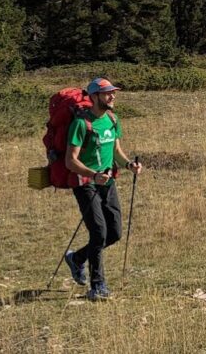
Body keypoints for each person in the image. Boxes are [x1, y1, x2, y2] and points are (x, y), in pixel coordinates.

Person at [63, 77, 142, 301]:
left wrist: (128, 165)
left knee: (114, 233)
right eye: (107, 93)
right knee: (99, 232)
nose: (112, 96)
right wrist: (93, 175)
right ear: (95, 96)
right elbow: (70, 161)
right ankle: (98, 286)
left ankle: (77, 259)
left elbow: (117, 151)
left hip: (107, 182)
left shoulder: (113, 119)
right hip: (85, 184)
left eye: (113, 92)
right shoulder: (81, 124)